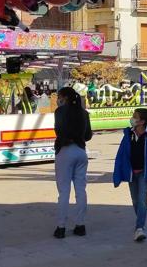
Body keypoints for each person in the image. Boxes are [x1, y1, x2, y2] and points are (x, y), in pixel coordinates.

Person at [113, 108, 147, 241]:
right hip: (131, 173)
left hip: (145, 173)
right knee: (135, 200)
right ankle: (140, 222)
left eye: (135, 116)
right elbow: (120, 155)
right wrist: (117, 174)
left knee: (142, 199)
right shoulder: (128, 135)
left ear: (142, 121)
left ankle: (139, 227)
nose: (132, 118)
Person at [53, 87, 93, 239]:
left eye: (59, 97)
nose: (58, 99)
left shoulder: (60, 112)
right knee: (81, 190)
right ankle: (80, 225)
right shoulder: (84, 113)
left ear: (64, 97)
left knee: (64, 191)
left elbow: (58, 131)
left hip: (65, 150)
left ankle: (61, 227)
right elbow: (88, 135)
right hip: (81, 152)